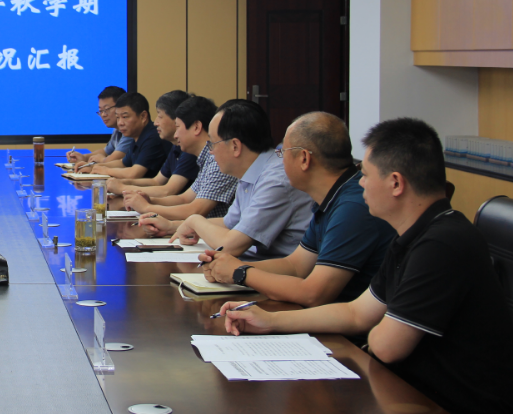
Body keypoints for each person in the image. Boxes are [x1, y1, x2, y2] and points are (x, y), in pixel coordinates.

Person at [219, 118, 513, 414]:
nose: (360, 183)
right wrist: (270, 321)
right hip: (408, 389)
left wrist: (375, 331)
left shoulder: (441, 244)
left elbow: (386, 346)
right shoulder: (412, 236)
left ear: (395, 183)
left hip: (448, 402)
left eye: (366, 175)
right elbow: (357, 313)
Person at [199, 112, 396, 305]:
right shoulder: (330, 198)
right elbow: (295, 266)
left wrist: (240, 273)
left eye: (282, 153)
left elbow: (314, 294)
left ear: (304, 158)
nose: (280, 161)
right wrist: (227, 266)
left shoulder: (352, 207)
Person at [140, 99, 313, 259]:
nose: (211, 151)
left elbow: (230, 245)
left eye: (213, 143)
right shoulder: (250, 172)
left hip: (278, 273)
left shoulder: (275, 180)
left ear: (235, 146)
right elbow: (229, 223)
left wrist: (194, 220)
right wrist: (172, 226)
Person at [123, 95, 237, 219]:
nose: (176, 135)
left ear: (196, 127)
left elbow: (196, 210)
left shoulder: (217, 161)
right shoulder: (205, 159)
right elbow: (184, 199)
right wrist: (150, 201)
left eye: (177, 127)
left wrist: (147, 207)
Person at [108, 90, 198, 197]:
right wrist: (121, 183)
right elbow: (156, 181)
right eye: (118, 117)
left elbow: (168, 191)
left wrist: (122, 188)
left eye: (160, 116)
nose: (156, 123)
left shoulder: (189, 149)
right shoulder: (176, 146)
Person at [78, 92, 170, 179]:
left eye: (125, 117)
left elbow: (134, 173)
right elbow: (122, 163)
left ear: (143, 116)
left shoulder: (153, 136)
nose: (120, 123)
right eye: (118, 117)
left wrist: (105, 170)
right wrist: (92, 167)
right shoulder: (136, 136)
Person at [67, 86, 130, 167]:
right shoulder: (117, 130)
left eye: (107, 109)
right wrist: (84, 157)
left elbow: (113, 160)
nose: (103, 115)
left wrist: (99, 162)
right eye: (100, 111)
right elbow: (105, 152)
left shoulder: (129, 131)